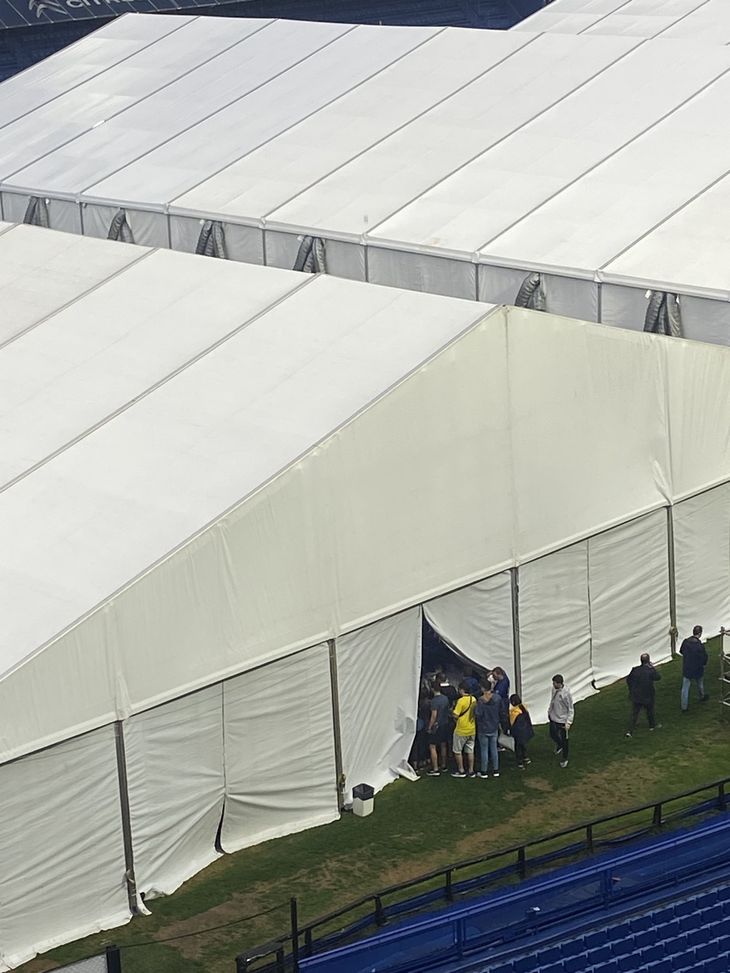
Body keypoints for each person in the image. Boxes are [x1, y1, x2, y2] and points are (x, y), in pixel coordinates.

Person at [625, 653, 661, 737]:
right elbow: (658, 677)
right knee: (650, 711)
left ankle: (630, 731)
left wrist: (631, 689)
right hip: (647, 695)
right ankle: (652, 726)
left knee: (635, 713)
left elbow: (628, 680)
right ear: (648, 661)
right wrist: (652, 667)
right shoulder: (650, 670)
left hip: (636, 695)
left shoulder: (635, 670)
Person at [679, 625, 710, 711]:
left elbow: (681, 651)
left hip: (687, 668)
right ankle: (702, 696)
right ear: (700, 633)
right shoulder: (699, 646)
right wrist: (703, 664)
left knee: (685, 688)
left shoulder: (685, 642)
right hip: (697, 669)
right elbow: (704, 657)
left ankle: (683, 707)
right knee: (700, 684)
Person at [450, 682, 477, 778]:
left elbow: (456, 715)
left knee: (457, 750)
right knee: (470, 750)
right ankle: (471, 770)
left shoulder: (460, 701)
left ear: (462, 690)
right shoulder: (473, 699)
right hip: (472, 728)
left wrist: (452, 712)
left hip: (461, 729)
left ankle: (461, 770)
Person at [548, 674, 573, 769]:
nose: (553, 685)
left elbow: (570, 708)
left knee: (565, 740)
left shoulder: (566, 694)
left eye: (554, 683)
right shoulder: (554, 689)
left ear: (559, 683)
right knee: (552, 734)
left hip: (562, 720)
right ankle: (559, 744)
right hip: (553, 717)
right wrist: (549, 712)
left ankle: (564, 758)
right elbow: (552, 701)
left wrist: (568, 722)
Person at [475, 686, 501, 778]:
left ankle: (484, 771)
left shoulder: (481, 701)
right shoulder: (497, 698)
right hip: (494, 727)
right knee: (494, 749)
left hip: (483, 728)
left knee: (484, 750)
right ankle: (496, 770)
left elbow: (478, 714)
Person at [426, 682, 451, 776]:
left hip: (436, 726)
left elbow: (434, 715)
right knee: (443, 745)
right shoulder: (445, 698)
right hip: (445, 724)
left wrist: (429, 726)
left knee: (432, 746)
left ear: (432, 689)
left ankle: (435, 768)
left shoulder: (434, 701)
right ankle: (444, 765)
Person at [509, 693, 534, 769]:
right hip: (525, 731)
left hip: (518, 733)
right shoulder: (524, 708)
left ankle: (520, 763)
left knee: (518, 747)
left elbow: (511, 723)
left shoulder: (514, 712)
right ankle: (525, 758)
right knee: (523, 745)